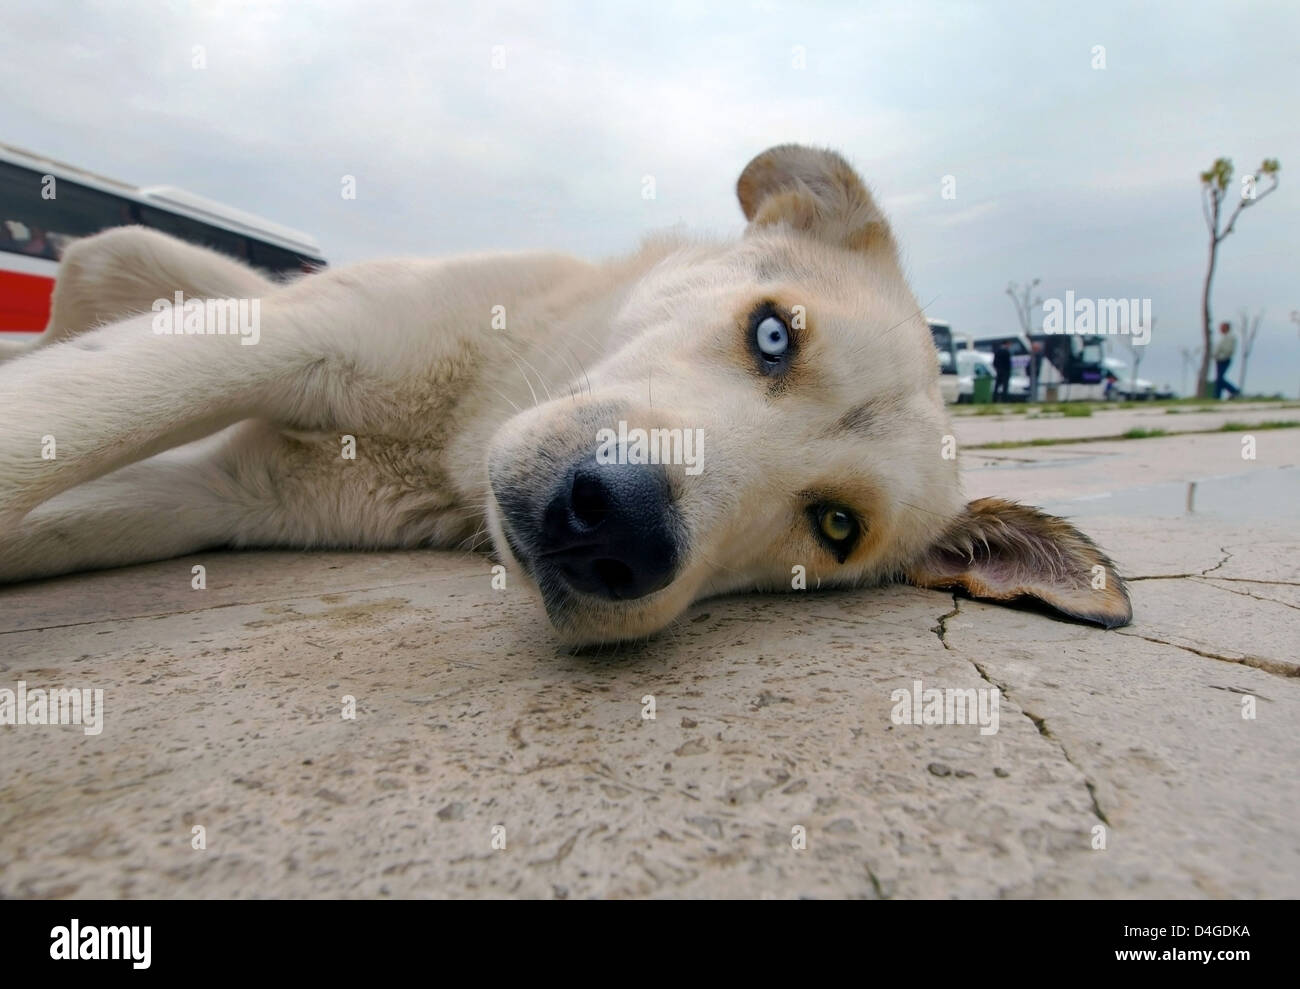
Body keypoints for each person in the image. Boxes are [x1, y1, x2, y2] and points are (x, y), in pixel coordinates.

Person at [1213, 321, 1240, 399]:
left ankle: (1234, 391)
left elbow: (1228, 350)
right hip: (1219, 359)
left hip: (1224, 359)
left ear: (1226, 328)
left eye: (1222, 327)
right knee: (1219, 379)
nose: (1220, 329)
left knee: (1219, 379)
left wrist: (1219, 354)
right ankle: (1217, 396)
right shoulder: (1224, 337)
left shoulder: (1230, 337)